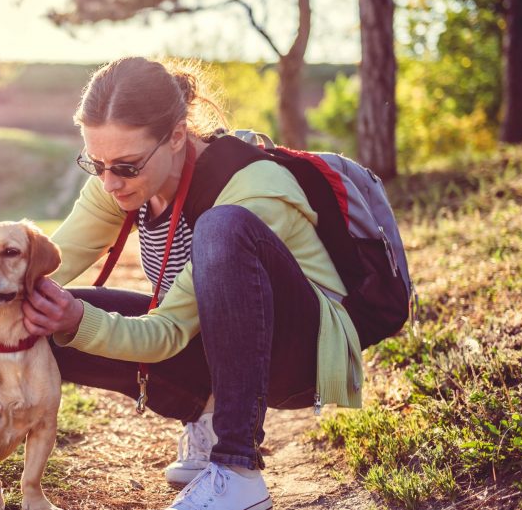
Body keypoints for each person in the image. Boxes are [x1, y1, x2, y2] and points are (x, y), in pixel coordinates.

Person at [21, 57, 363, 510]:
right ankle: (205, 412)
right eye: (95, 162)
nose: (109, 183)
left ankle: (238, 468)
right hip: (214, 340)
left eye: (125, 166)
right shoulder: (120, 180)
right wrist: (0, 309)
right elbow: (43, 271)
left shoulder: (252, 188)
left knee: (222, 227)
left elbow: (165, 334)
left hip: (300, 355)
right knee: (31, 310)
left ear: (178, 136)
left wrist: (80, 320)